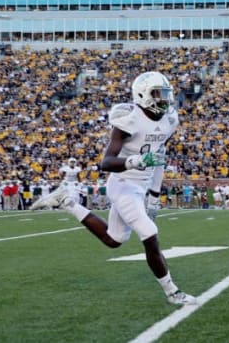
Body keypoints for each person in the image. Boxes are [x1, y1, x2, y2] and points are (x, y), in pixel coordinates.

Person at [30, 71, 197, 306]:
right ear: (143, 95)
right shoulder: (128, 119)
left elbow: (160, 155)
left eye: (165, 94)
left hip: (142, 185)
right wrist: (134, 161)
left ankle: (67, 202)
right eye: (158, 94)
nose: (164, 99)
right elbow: (106, 162)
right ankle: (172, 292)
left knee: (114, 239)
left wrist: (155, 195)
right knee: (149, 234)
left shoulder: (169, 119)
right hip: (124, 184)